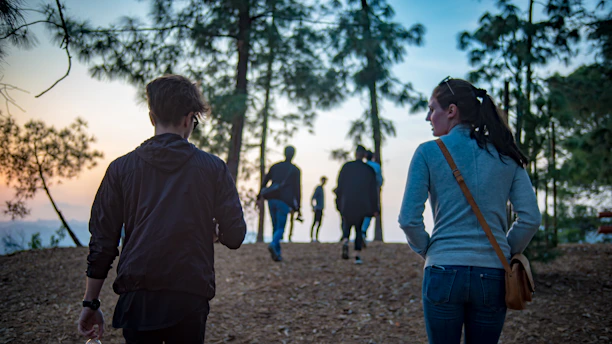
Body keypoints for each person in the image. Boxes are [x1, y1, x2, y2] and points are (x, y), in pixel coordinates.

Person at [77, 75, 247, 343]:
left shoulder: (120, 169)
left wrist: (90, 304)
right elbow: (235, 235)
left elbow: (102, 242)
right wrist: (215, 231)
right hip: (189, 293)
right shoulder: (213, 168)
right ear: (188, 118)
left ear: (151, 116)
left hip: (137, 296)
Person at [398, 77, 540, 344]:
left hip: (442, 268)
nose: (428, 117)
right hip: (493, 273)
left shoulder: (428, 152)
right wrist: (503, 249)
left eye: (432, 109)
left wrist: (429, 251)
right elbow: (531, 218)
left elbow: (408, 220)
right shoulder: (506, 155)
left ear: (451, 111)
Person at [335, 145, 379, 264]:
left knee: (346, 223)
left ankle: (345, 241)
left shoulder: (346, 167)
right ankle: (357, 255)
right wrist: (375, 208)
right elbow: (373, 190)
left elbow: (339, 186)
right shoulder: (368, 170)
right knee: (359, 228)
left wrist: (338, 202)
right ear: (364, 155)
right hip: (361, 203)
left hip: (347, 201)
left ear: (355, 154)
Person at [260, 146, 301, 262]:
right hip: (284, 201)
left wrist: (260, 195)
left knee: (275, 226)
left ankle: (277, 254)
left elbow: (265, 181)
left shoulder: (275, 166)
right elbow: (297, 189)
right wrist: (298, 206)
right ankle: (273, 244)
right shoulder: (295, 170)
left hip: (271, 199)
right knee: (281, 228)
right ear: (293, 155)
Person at [361, 150, 383, 242]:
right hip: (372, 190)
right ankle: (363, 231)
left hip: (361, 190)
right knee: (370, 211)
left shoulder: (362, 166)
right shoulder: (376, 166)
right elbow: (380, 180)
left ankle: (361, 231)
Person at [310, 176, 327, 242]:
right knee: (315, 223)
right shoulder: (318, 188)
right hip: (317, 209)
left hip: (321, 209)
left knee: (319, 223)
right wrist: (313, 207)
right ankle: (312, 238)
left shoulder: (322, 189)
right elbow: (313, 198)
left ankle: (316, 237)